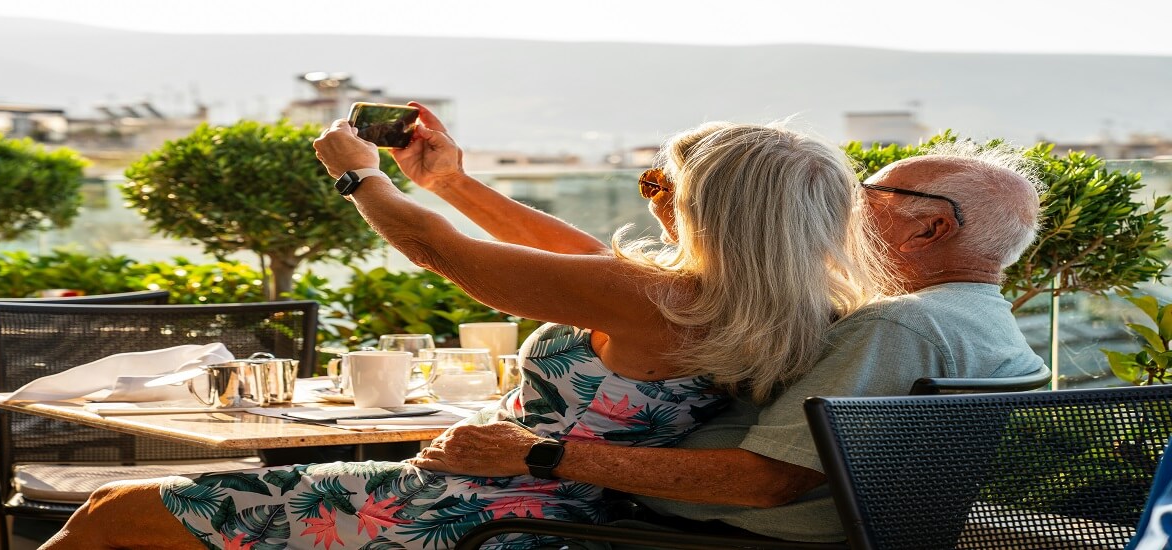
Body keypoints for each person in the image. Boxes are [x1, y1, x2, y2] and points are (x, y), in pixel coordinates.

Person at [38, 105, 895, 550]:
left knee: (117, 513)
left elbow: (441, 256)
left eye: (657, 181)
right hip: (545, 505)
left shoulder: (661, 296)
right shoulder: (775, 300)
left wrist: (358, 176)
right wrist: (448, 180)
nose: (651, 194)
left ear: (712, 206)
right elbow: (581, 256)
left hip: (487, 508)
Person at [409, 144, 1049, 544]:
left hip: (681, 530)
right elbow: (612, 277)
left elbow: (766, 483)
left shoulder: (899, 327)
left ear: (931, 228)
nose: (842, 209)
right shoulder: (974, 321)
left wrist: (541, 456)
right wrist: (455, 184)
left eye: (868, 194)